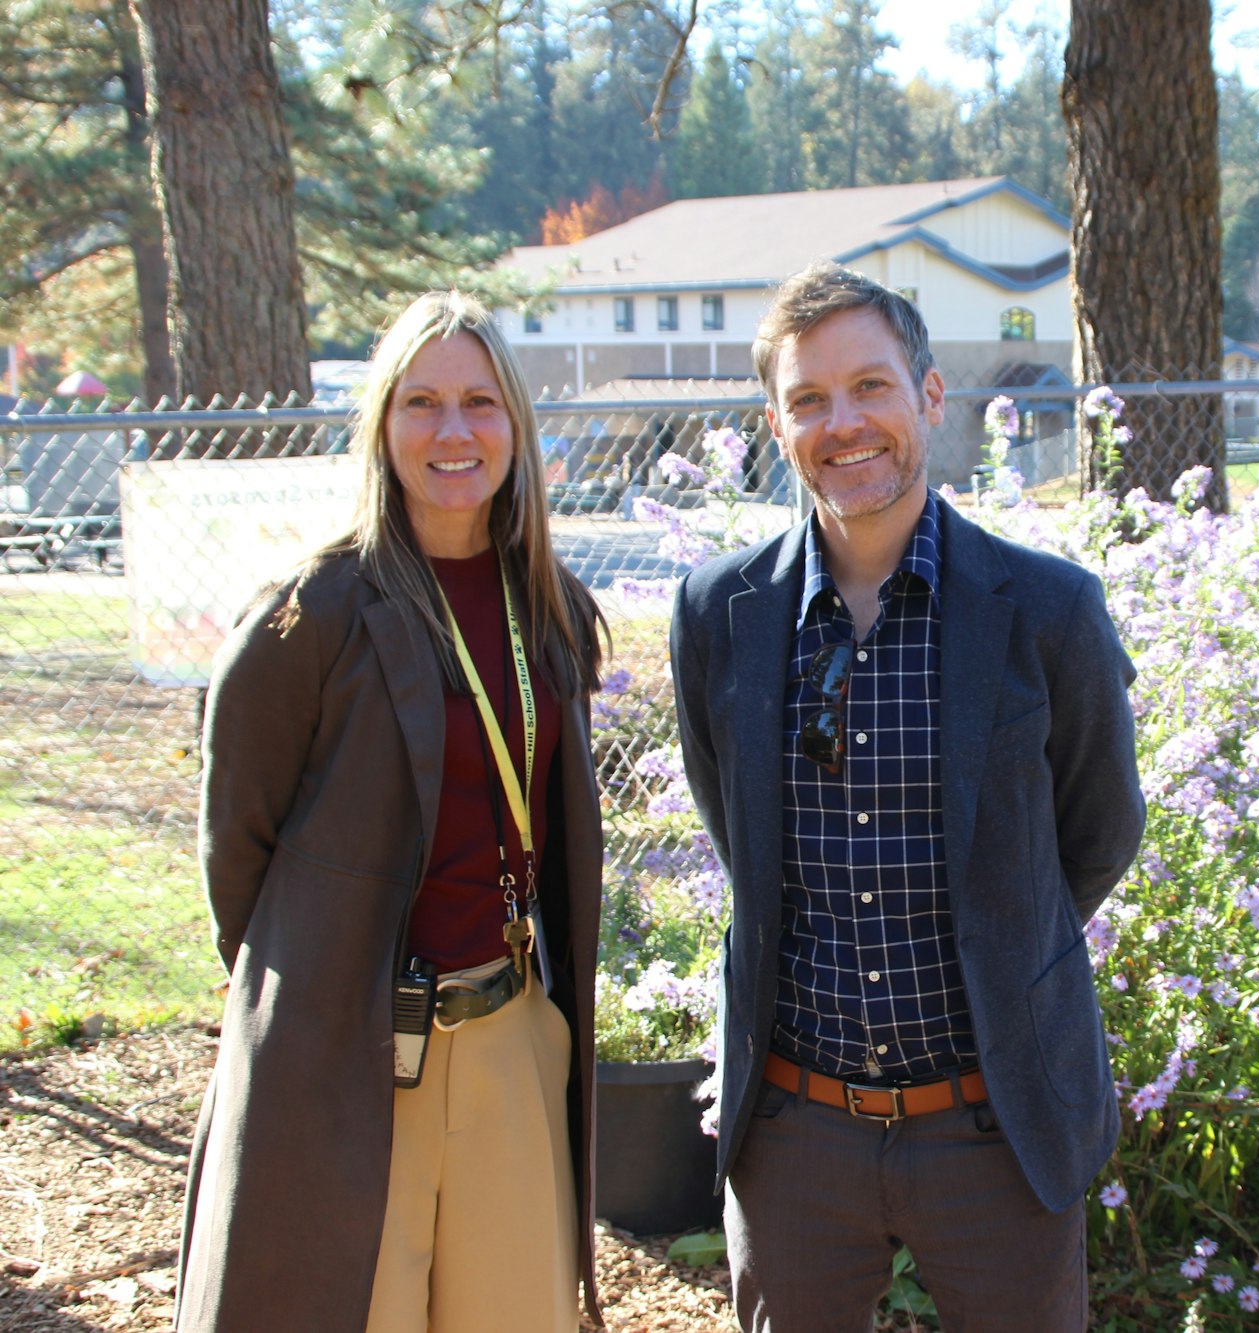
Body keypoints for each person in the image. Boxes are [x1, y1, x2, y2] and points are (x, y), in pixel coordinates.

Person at [669, 262, 1146, 1332]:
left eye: (870, 387)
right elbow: (735, 831)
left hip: (992, 1121)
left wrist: (1005, 947)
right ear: (775, 422)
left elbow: (1098, 830)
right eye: (807, 399)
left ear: (929, 397)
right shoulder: (719, 614)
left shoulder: (1045, 610)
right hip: (796, 1131)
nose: (843, 423)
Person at [178, 291, 608, 1333]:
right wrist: (319, 989)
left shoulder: (547, 606)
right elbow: (237, 847)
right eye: (421, 402)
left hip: (506, 1033)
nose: (452, 432)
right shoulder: (309, 615)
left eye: (477, 401)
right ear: (380, 422)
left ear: (514, 423)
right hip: (350, 1054)